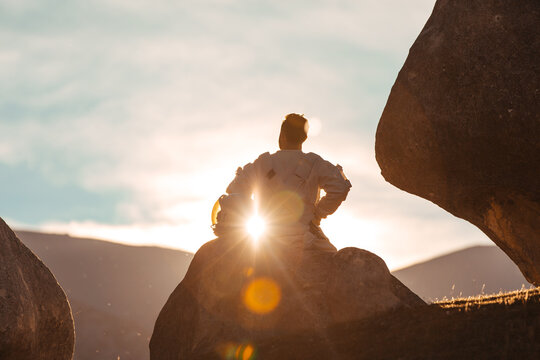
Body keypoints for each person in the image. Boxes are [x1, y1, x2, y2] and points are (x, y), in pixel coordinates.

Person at [223, 113, 351, 252]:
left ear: (282, 134)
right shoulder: (315, 163)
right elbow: (340, 189)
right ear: (304, 138)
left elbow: (234, 191)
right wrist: (317, 214)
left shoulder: (262, 163)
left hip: (267, 239)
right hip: (305, 238)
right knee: (335, 259)